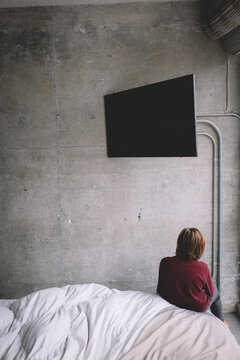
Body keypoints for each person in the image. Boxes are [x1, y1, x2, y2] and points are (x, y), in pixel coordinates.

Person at [157, 227, 226, 323]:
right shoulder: (203, 267)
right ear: (199, 248)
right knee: (215, 291)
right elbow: (210, 293)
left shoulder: (165, 262)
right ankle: (221, 322)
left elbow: (160, 289)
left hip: (172, 302)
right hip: (197, 307)